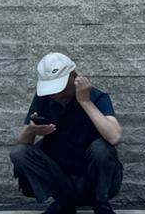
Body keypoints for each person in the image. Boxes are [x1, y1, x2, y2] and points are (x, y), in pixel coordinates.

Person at [8, 52, 122, 214]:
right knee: (19, 152)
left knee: (102, 148)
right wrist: (30, 130)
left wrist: (85, 101)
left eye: (60, 88)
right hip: (61, 177)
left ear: (74, 76)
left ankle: (101, 203)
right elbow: (23, 148)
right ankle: (63, 203)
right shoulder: (44, 99)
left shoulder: (97, 97)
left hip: (92, 177)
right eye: (52, 89)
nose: (56, 95)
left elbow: (115, 137)